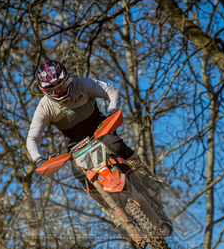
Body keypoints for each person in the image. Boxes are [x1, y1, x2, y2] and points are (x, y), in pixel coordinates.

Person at [26, 60, 148, 223]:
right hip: (74, 140)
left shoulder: (82, 84)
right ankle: (107, 206)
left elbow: (110, 90)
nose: (59, 91)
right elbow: (33, 137)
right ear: (44, 90)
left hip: (98, 126)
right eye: (52, 90)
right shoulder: (44, 107)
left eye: (61, 85)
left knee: (113, 143)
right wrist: (38, 158)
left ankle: (141, 172)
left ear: (67, 78)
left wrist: (112, 109)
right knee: (78, 171)